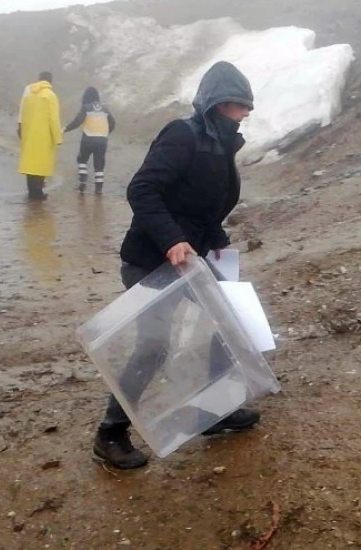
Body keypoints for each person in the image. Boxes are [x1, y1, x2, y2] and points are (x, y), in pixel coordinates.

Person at [93, 61, 259, 470]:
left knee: (227, 324)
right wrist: (172, 240)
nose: (245, 113)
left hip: (193, 262)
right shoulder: (183, 135)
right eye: (238, 105)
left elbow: (203, 210)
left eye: (246, 106)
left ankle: (212, 411)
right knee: (154, 345)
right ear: (216, 105)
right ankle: (109, 434)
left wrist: (216, 241)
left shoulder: (222, 145)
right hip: (151, 262)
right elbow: (143, 190)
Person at [18, 72, 62, 201]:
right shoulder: (50, 96)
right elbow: (54, 119)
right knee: (41, 166)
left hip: (29, 135)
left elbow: (23, 115)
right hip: (44, 136)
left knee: (31, 166)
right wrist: (57, 137)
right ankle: (38, 193)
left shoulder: (29, 95)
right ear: (50, 81)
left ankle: (31, 192)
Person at [64, 87, 116, 195]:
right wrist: (106, 133)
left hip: (88, 138)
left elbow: (77, 121)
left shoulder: (86, 107)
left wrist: (65, 129)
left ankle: (82, 180)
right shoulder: (105, 108)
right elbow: (112, 123)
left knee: (82, 159)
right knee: (99, 164)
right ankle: (98, 188)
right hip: (102, 140)